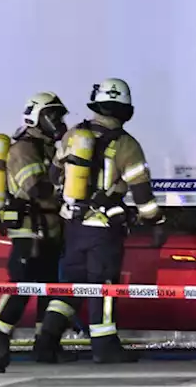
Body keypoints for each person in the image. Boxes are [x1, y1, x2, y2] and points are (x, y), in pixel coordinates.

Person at [34, 78, 165, 364]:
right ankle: (105, 348)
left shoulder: (73, 136)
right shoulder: (127, 145)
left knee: (70, 287)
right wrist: (155, 218)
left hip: (73, 225)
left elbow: (55, 177)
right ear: (125, 110)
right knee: (103, 287)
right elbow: (142, 193)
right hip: (103, 230)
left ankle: (45, 344)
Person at [0, 92, 76, 364]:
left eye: (59, 115)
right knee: (22, 287)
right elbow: (36, 188)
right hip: (29, 231)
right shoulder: (23, 149)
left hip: (48, 229)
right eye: (52, 115)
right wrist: (63, 186)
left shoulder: (45, 147)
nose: (58, 121)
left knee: (50, 288)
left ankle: (45, 346)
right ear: (35, 117)